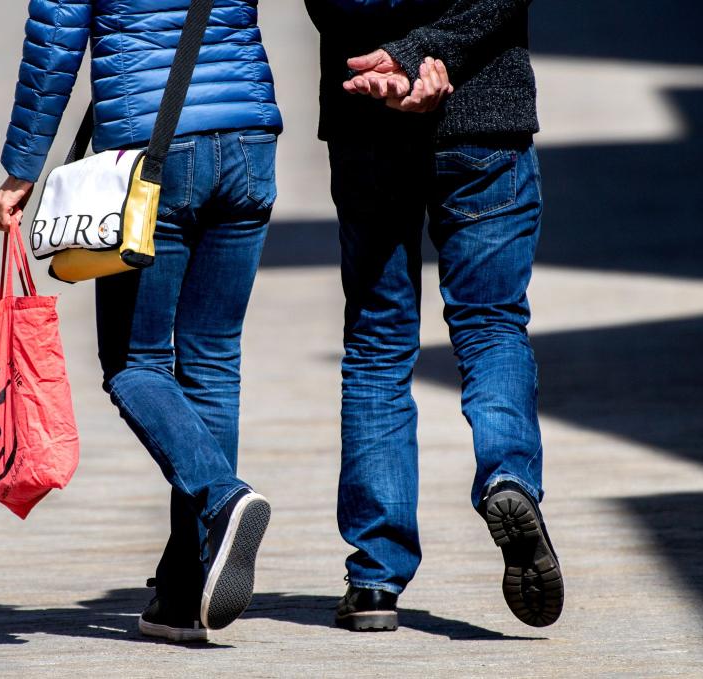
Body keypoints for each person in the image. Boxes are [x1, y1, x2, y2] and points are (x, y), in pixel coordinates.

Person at [0, 0, 281, 642]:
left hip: (155, 153)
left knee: (133, 365)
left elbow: (53, 48)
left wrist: (21, 169)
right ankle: (184, 593)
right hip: (250, 140)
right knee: (212, 363)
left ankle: (223, 496)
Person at [304, 0, 565, 631]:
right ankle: (508, 477)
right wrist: (429, 50)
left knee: (376, 348)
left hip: (367, 122)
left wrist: (398, 59)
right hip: (483, 121)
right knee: (491, 327)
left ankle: (374, 578)